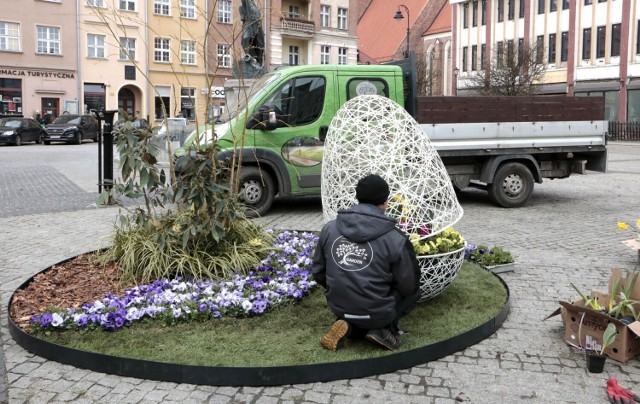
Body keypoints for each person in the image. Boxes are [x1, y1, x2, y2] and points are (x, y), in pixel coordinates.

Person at [311, 174, 421, 351]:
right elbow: (409, 286)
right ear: (385, 202)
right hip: (378, 310)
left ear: (358, 197)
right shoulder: (395, 237)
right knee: (414, 291)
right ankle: (383, 330)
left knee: (355, 296)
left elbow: (318, 272)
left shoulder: (329, 229)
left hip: (340, 306)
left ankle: (350, 326)